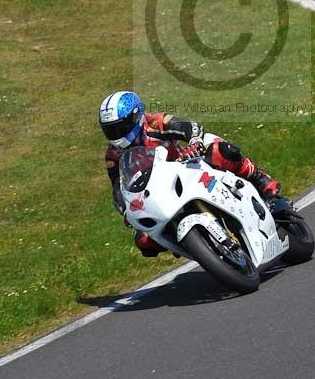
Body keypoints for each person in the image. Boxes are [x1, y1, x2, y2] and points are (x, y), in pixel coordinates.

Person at [99, 90, 280, 257]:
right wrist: (126, 211)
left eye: (119, 127)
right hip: (158, 192)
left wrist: (195, 142)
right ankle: (199, 249)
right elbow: (118, 187)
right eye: (110, 130)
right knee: (144, 241)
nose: (116, 134)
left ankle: (258, 177)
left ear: (136, 116)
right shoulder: (114, 155)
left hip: (188, 166)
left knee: (222, 151)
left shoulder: (155, 123)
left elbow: (190, 127)